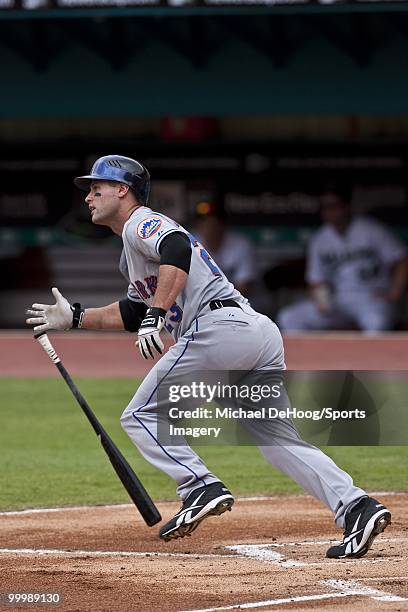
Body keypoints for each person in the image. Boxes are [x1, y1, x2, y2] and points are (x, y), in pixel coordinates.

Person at [26, 155, 391, 558]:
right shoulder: (130, 251)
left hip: (219, 331)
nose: (89, 198)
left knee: (141, 414)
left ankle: (199, 485)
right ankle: (358, 506)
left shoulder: (141, 222)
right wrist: (76, 316)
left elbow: (176, 248)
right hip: (253, 333)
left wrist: (156, 315)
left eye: (97, 189)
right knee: (275, 441)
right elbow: (131, 310)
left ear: (123, 190)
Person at [278, 184, 408, 333]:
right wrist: (321, 301)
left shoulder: (371, 230)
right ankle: (321, 356)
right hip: (338, 299)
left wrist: (394, 294)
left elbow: (401, 260)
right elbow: (316, 280)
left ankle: (366, 357)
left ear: (347, 206)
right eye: (325, 207)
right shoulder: (320, 239)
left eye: (334, 205)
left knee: (376, 322)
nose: (329, 211)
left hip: (371, 297)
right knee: (289, 317)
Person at [194, 200, 256, 298]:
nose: (208, 228)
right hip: (205, 305)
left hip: (241, 305)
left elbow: (244, 287)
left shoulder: (240, 245)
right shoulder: (190, 245)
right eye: (204, 223)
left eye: (213, 223)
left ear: (222, 225)